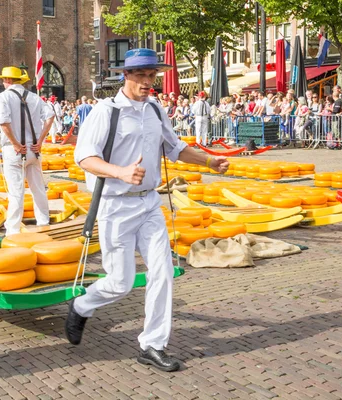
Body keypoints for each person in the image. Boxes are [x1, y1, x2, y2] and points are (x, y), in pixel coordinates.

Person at [69, 48, 229, 372]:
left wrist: (210, 160)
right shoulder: (106, 111)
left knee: (163, 272)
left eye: (151, 76)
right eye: (140, 76)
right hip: (115, 206)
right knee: (121, 282)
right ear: (125, 76)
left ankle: (152, 345)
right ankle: (82, 304)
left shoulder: (155, 109)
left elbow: (175, 147)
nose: (147, 82)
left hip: (150, 203)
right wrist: (121, 171)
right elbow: (84, 157)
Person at [0, 66, 55, 235]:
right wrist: (40, 140)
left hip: (14, 150)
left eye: (4, 79)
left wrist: (14, 143)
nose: (3, 82)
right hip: (33, 149)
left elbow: (4, 123)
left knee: (16, 191)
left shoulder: (3, 97)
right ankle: (43, 223)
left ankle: (12, 230)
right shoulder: (35, 97)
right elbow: (50, 117)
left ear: (8, 80)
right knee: (38, 188)